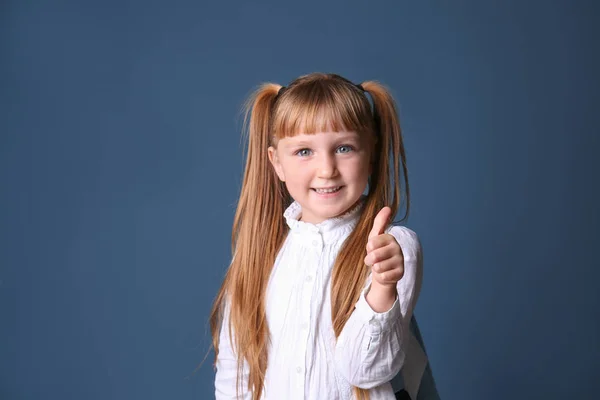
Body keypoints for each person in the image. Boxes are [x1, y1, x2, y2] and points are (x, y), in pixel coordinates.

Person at [210, 73, 439, 399]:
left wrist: (383, 289)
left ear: (371, 154)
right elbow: (236, 372)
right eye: (304, 151)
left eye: (344, 148)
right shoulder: (258, 254)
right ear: (277, 163)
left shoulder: (392, 248)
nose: (327, 169)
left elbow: (367, 370)